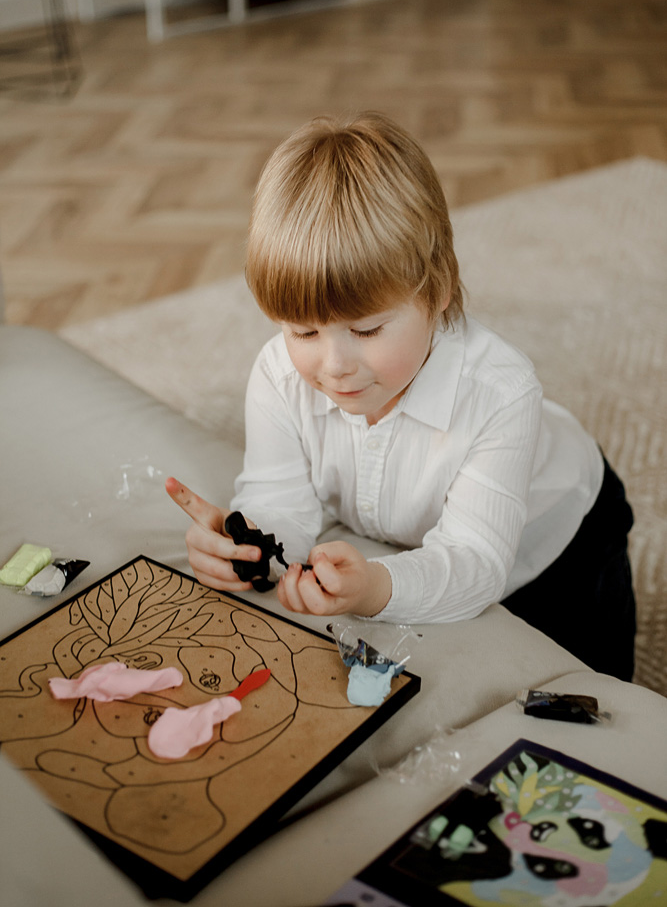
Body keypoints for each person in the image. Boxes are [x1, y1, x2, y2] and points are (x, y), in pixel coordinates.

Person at [167, 112, 636, 680]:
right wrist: (247, 548)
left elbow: (474, 563)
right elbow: (280, 502)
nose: (334, 366)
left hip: (560, 542)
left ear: (436, 291)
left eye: (366, 331)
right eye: (303, 331)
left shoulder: (502, 394)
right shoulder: (278, 375)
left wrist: (376, 587)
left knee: (591, 693)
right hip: (412, 531)